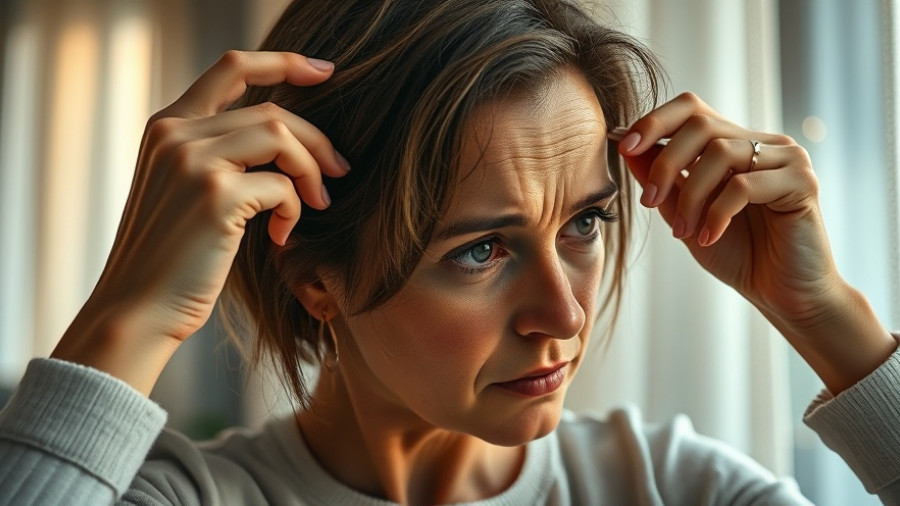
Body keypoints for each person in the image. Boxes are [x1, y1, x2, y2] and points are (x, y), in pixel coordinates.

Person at [1, 0, 898, 504]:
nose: (567, 315)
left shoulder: (670, 487)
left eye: (585, 223)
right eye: (482, 251)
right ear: (317, 275)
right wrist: (130, 314)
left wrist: (825, 316)